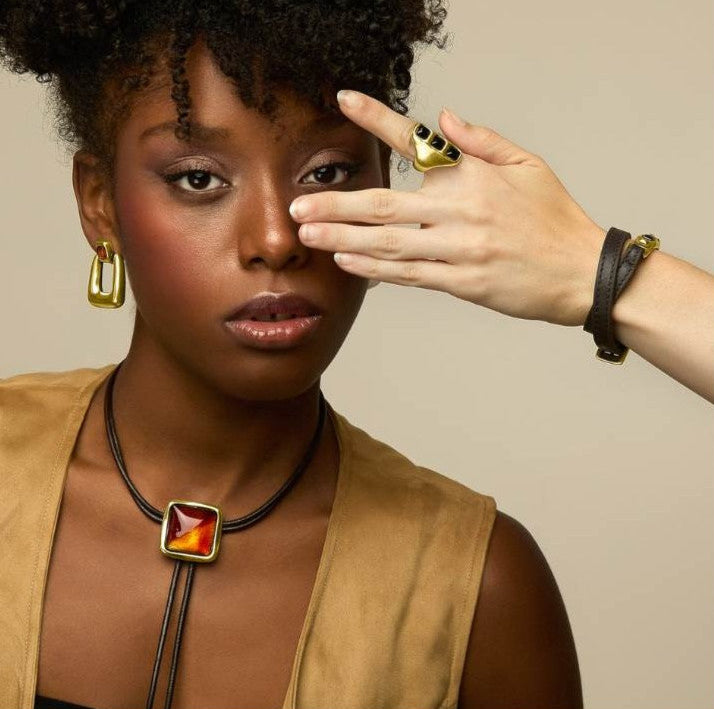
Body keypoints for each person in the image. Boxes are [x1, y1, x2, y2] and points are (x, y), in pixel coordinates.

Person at [0, 2, 582, 709]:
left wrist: (599, 275)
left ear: (385, 193)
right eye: (197, 178)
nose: (277, 238)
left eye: (329, 172)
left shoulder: (481, 591)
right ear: (100, 204)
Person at [290, 91, 714, 403]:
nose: (274, 242)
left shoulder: (473, 527)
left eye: (326, 173)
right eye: (217, 180)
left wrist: (588, 267)